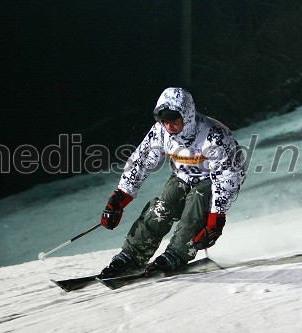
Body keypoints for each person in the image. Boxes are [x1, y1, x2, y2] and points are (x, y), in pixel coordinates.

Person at [99, 87, 246, 278]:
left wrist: (215, 221)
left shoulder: (214, 135)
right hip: (183, 176)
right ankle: (132, 254)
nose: (169, 126)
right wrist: (119, 199)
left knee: (196, 202)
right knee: (163, 205)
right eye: (164, 120)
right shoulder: (160, 132)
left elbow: (227, 177)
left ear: (187, 116)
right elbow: (140, 163)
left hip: (216, 179)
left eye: (174, 119)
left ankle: (177, 253)